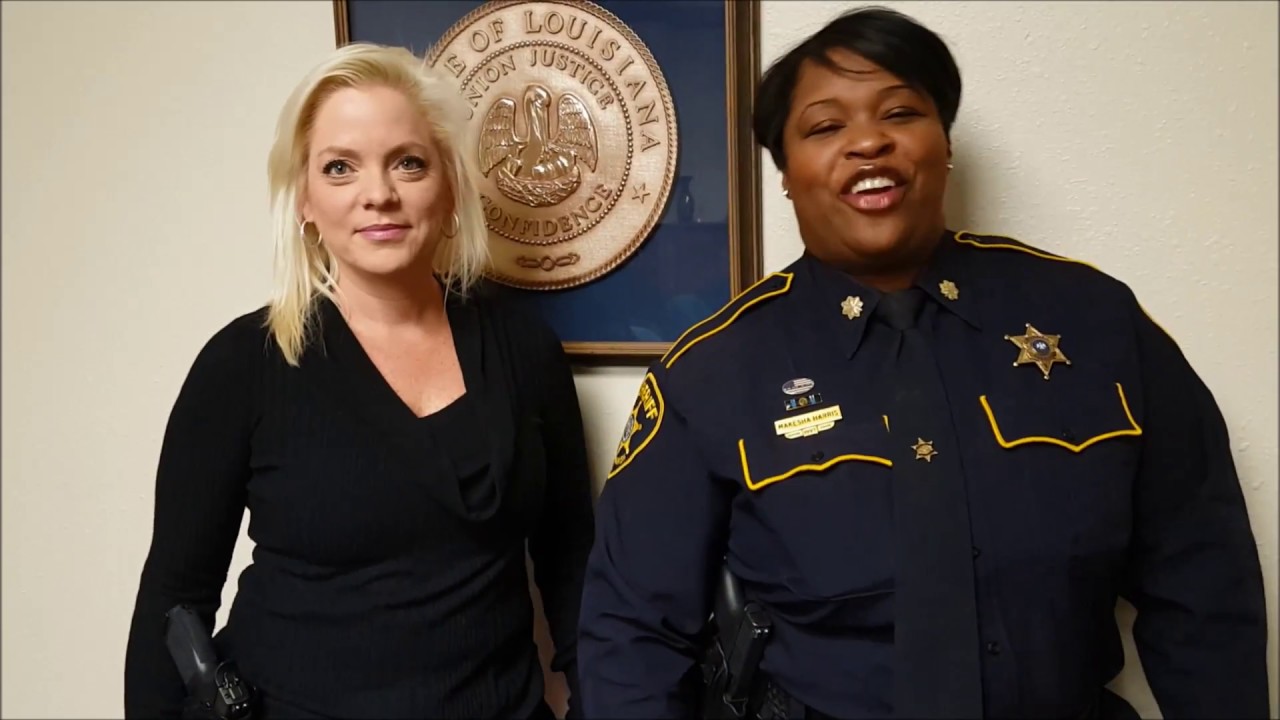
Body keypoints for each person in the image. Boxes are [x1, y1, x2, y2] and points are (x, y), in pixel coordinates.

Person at [577, 6, 1269, 719]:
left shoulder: (1095, 322)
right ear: (786, 173)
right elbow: (631, 635)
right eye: (824, 127)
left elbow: (1205, 589)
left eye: (901, 113)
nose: (868, 142)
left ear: (944, 144)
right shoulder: (713, 370)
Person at [124, 43, 595, 719]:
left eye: (408, 162)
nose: (379, 193)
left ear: (450, 186)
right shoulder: (242, 365)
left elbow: (571, 560)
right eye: (340, 167)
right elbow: (175, 592)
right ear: (306, 201)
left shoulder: (524, 349)